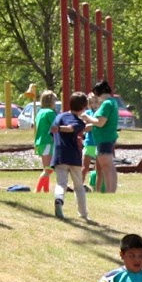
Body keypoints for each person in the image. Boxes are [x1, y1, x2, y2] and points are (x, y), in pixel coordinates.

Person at [51, 92, 90, 220]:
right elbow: (70, 128)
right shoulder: (79, 122)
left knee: (61, 183)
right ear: (84, 107)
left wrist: (58, 128)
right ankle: (83, 214)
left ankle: (59, 200)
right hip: (73, 157)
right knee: (78, 186)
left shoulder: (58, 117)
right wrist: (62, 128)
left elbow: (53, 132)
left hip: (59, 155)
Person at [83, 80, 121, 193]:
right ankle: (110, 190)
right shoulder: (112, 102)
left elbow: (100, 122)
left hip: (105, 138)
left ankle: (110, 190)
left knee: (107, 165)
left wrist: (87, 117)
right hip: (105, 137)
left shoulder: (107, 103)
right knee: (106, 166)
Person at [32, 90, 58, 190]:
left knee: (46, 167)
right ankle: (37, 190)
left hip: (40, 142)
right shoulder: (50, 113)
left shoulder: (40, 112)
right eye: (54, 101)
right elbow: (56, 125)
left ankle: (46, 189)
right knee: (49, 169)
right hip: (48, 141)